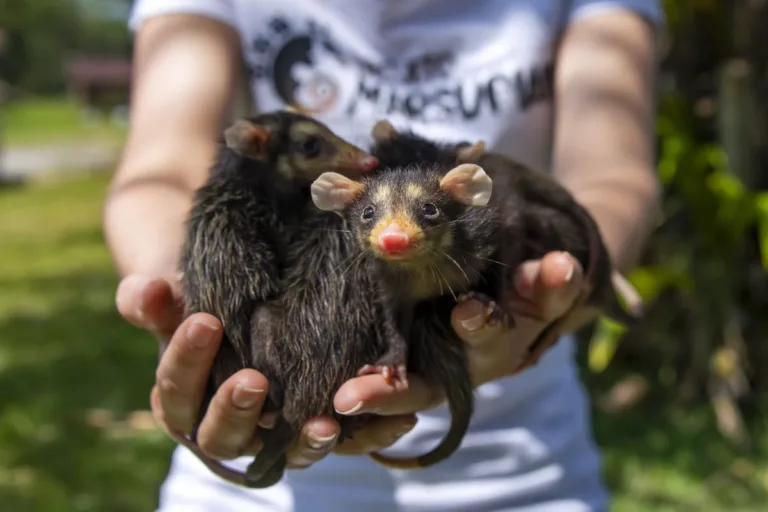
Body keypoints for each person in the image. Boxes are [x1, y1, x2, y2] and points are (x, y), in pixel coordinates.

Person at [105, 1, 663, 510]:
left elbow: (611, 173)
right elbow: (163, 168)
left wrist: (563, 288)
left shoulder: (478, 217)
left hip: (526, 468)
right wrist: (175, 282)